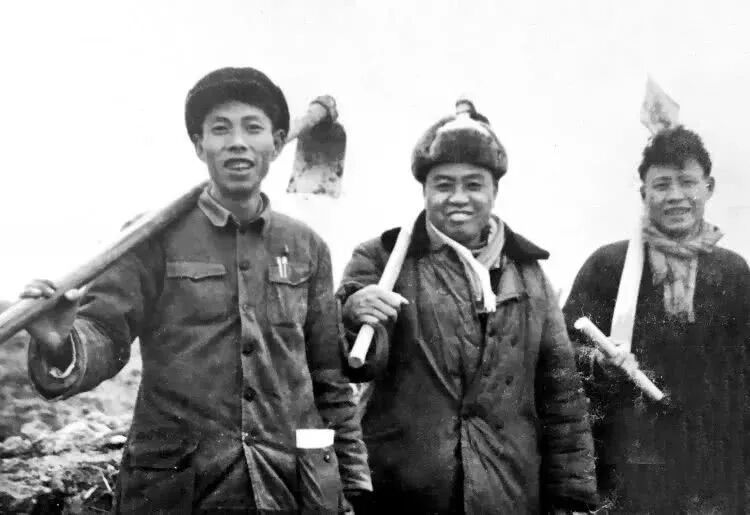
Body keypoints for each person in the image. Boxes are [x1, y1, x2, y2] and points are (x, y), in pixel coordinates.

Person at [21, 67, 371, 514]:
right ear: (198, 144)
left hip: (285, 489)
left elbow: (329, 381)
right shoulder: (150, 238)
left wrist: (353, 485)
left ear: (278, 141)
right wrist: (61, 344)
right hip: (175, 492)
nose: (237, 142)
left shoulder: (307, 247)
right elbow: (104, 333)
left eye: (253, 128)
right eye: (220, 129)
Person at [337, 107, 598, 514]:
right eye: (443, 185)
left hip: (508, 493)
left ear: (495, 191)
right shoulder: (381, 260)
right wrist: (352, 314)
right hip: (401, 493)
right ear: (424, 191)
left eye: (474, 185)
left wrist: (571, 497)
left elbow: (561, 395)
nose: (458, 198)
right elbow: (352, 367)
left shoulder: (529, 274)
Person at [563, 126, 749, 513]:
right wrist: (599, 362)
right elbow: (561, 352)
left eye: (687, 182)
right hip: (628, 463)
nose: (676, 195)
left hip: (713, 469)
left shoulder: (734, 272)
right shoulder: (608, 265)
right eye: (662, 184)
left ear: (709, 187)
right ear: (644, 193)